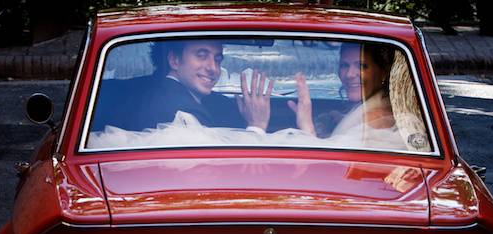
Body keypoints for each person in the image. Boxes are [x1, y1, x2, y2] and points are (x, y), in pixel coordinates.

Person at [290, 42, 431, 152]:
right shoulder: (378, 107)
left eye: (362, 66)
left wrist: (306, 126)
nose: (350, 74)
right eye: (344, 65)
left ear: (382, 73)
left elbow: (329, 164)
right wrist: (339, 119)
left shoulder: (378, 116)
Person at [134, 39, 274, 132]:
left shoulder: (158, 93)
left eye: (217, 60)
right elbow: (215, 171)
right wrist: (257, 125)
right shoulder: (183, 113)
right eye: (201, 55)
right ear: (174, 60)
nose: (213, 68)